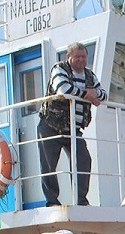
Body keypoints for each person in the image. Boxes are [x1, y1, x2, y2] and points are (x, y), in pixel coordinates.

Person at [38, 42, 107, 207]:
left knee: (83, 160)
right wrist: (89, 95)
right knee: (48, 165)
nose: (81, 60)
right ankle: (52, 202)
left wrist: (94, 93)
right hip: (51, 126)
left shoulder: (90, 75)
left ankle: (81, 201)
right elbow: (63, 89)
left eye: (84, 56)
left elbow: (104, 95)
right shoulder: (59, 68)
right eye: (77, 57)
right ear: (69, 57)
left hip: (74, 129)